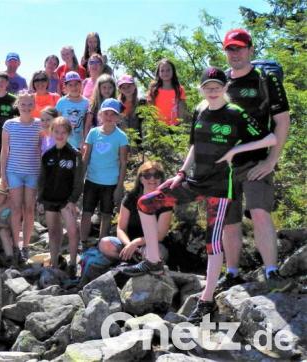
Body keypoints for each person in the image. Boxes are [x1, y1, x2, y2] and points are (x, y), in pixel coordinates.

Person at [121, 67, 277, 323]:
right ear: (202, 89)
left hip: (220, 187)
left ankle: (206, 300)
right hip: (194, 181)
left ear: (224, 88)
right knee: (146, 203)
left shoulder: (235, 113)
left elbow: (269, 138)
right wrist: (181, 173)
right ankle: (153, 259)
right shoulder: (199, 110)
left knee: (212, 242)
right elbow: (193, 145)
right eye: (208, 87)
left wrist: (234, 152)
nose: (212, 91)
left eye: (217, 86)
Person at [220, 28, 293, 293]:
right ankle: (231, 273)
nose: (235, 53)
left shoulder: (265, 79)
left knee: (260, 213)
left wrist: (272, 160)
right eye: (230, 49)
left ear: (250, 49)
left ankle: (271, 271)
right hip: (226, 165)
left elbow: (282, 121)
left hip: (257, 161)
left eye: (239, 48)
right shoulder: (221, 81)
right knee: (229, 221)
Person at [98, 161, 172, 264]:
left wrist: (136, 243)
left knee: (156, 254)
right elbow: (121, 228)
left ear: (161, 179)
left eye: (157, 175)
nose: (152, 179)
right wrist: (129, 245)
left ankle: (142, 263)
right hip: (128, 242)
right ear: (141, 179)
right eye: (147, 175)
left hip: (153, 245)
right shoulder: (130, 198)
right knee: (104, 243)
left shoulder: (166, 202)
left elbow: (160, 235)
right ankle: (129, 261)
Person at [38, 117, 84, 274]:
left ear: (69, 134)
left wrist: (73, 200)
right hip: (50, 199)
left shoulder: (75, 154)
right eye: (56, 132)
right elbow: (42, 179)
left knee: (72, 230)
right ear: (51, 132)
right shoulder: (47, 154)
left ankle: (72, 263)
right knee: (53, 232)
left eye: (63, 132)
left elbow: (79, 180)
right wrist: (40, 200)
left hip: (67, 201)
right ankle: (55, 264)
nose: (59, 135)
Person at [1, 92, 43, 264]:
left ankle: (25, 246)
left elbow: (42, 149)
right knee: (16, 208)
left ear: (34, 105)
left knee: (29, 209)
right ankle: (15, 246)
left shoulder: (40, 124)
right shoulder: (9, 124)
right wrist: (2, 173)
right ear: (17, 105)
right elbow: (4, 150)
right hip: (14, 171)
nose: (26, 107)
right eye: (23, 104)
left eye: (29, 104)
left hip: (33, 171)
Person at [80, 99, 128, 245]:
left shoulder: (121, 136)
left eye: (113, 114)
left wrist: (119, 186)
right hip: (91, 180)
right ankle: (83, 242)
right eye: (106, 113)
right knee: (86, 212)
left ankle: (103, 244)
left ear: (118, 117)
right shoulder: (93, 133)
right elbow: (86, 157)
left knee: (106, 214)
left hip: (110, 182)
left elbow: (123, 162)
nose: (109, 117)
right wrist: (80, 179)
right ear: (100, 115)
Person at [148, 59, 188, 126]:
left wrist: (179, 124)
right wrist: (155, 124)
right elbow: (151, 108)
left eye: (168, 70)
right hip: (158, 126)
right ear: (158, 73)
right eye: (162, 70)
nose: (165, 73)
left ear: (173, 71)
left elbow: (181, 109)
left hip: (175, 127)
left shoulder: (180, 89)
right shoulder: (154, 89)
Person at [55, 72, 90, 149]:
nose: (74, 87)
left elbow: (87, 124)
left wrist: (85, 142)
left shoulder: (87, 102)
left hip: (80, 144)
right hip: (64, 143)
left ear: (80, 84)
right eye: (70, 85)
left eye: (76, 84)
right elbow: (57, 123)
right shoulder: (61, 102)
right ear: (65, 87)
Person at [83, 74, 118, 144]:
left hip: (112, 140)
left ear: (114, 88)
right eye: (104, 87)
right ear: (99, 89)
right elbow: (87, 126)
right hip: (96, 140)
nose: (107, 90)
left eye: (110, 87)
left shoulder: (117, 104)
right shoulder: (93, 105)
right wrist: (87, 143)